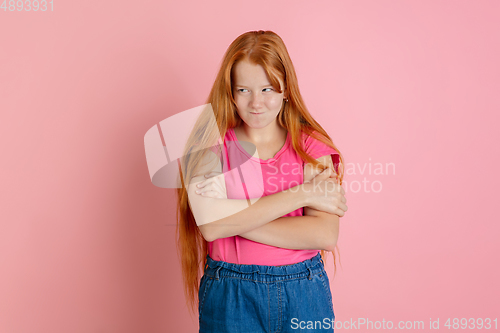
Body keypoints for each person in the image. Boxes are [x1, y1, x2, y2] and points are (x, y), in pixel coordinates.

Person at [175, 30, 348, 332]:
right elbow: (210, 227)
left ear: (286, 90)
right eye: (244, 90)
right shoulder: (209, 145)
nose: (256, 103)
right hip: (231, 293)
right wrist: (302, 194)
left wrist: (232, 220)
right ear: (230, 92)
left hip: (303, 291)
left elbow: (324, 235)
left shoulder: (312, 147)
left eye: (268, 89)